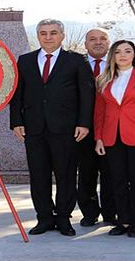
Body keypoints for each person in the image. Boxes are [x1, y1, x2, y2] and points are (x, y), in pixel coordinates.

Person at [10, 19, 95, 237]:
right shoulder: (25, 60)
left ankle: (64, 218)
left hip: (66, 129)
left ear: (62, 36)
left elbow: (87, 95)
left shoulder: (76, 60)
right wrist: (16, 122)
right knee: (39, 175)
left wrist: (84, 123)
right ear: (38, 36)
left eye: (53, 33)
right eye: (44, 33)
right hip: (33, 128)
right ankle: (44, 218)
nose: (48, 37)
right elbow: (17, 94)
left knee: (66, 174)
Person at [94, 40, 135, 238]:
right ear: (112, 56)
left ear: (134, 55)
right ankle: (122, 220)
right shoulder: (103, 78)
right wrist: (98, 137)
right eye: (118, 52)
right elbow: (100, 111)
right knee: (117, 180)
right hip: (111, 136)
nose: (123, 55)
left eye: (127, 51)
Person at [78, 28, 116, 226]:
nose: (98, 42)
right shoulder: (77, 64)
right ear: (85, 44)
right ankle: (89, 212)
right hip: (83, 128)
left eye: (103, 39)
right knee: (86, 172)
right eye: (93, 39)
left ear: (109, 43)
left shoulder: (119, 64)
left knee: (111, 171)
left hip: (112, 128)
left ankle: (111, 213)